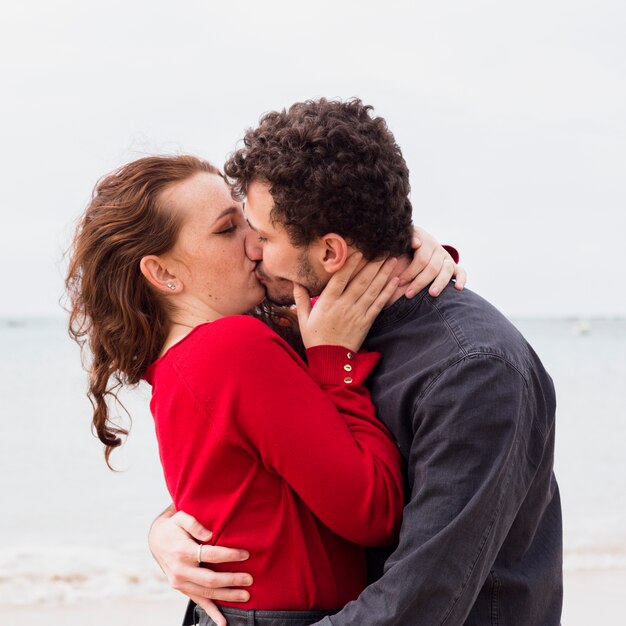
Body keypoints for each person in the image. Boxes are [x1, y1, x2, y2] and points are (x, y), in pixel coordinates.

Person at [150, 99, 563, 626]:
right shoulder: (314, 329)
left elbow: (419, 604)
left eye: (263, 235)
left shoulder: (475, 369)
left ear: (330, 254)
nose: (251, 250)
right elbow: (252, 478)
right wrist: (166, 531)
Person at [65, 154, 463, 626]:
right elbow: (374, 512)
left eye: (249, 223)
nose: (256, 244)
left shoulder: (179, 362)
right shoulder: (231, 348)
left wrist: (412, 248)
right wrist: (336, 365)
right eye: (227, 230)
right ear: (163, 273)